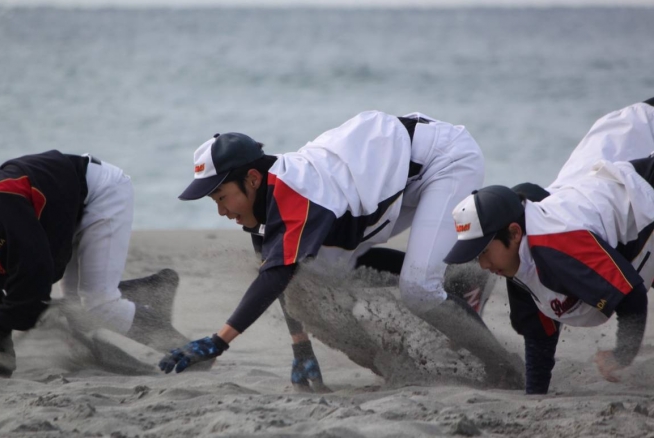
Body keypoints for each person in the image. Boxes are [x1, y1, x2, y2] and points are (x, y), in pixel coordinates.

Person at [159, 110, 524, 387]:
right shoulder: (265, 203)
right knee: (321, 272)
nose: (221, 211)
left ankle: (503, 366)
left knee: (419, 290)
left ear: (252, 179)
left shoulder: (296, 193)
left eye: (222, 197)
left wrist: (218, 342)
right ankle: (460, 278)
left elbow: (276, 276)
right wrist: (301, 348)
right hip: (394, 180)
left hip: (443, 161)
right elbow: (282, 274)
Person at [443, 97, 654, 395]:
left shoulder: (555, 246)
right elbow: (540, 336)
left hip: (640, 184)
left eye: (485, 252)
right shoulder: (517, 264)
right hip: (607, 182)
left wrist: (622, 355)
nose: (484, 266)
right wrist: (535, 395)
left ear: (514, 233)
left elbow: (631, 297)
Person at [0, 150, 187, 378]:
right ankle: (152, 290)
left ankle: (187, 351)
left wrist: (3, 324)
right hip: (64, 210)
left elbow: (35, 271)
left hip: (99, 191)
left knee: (98, 304)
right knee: (77, 312)